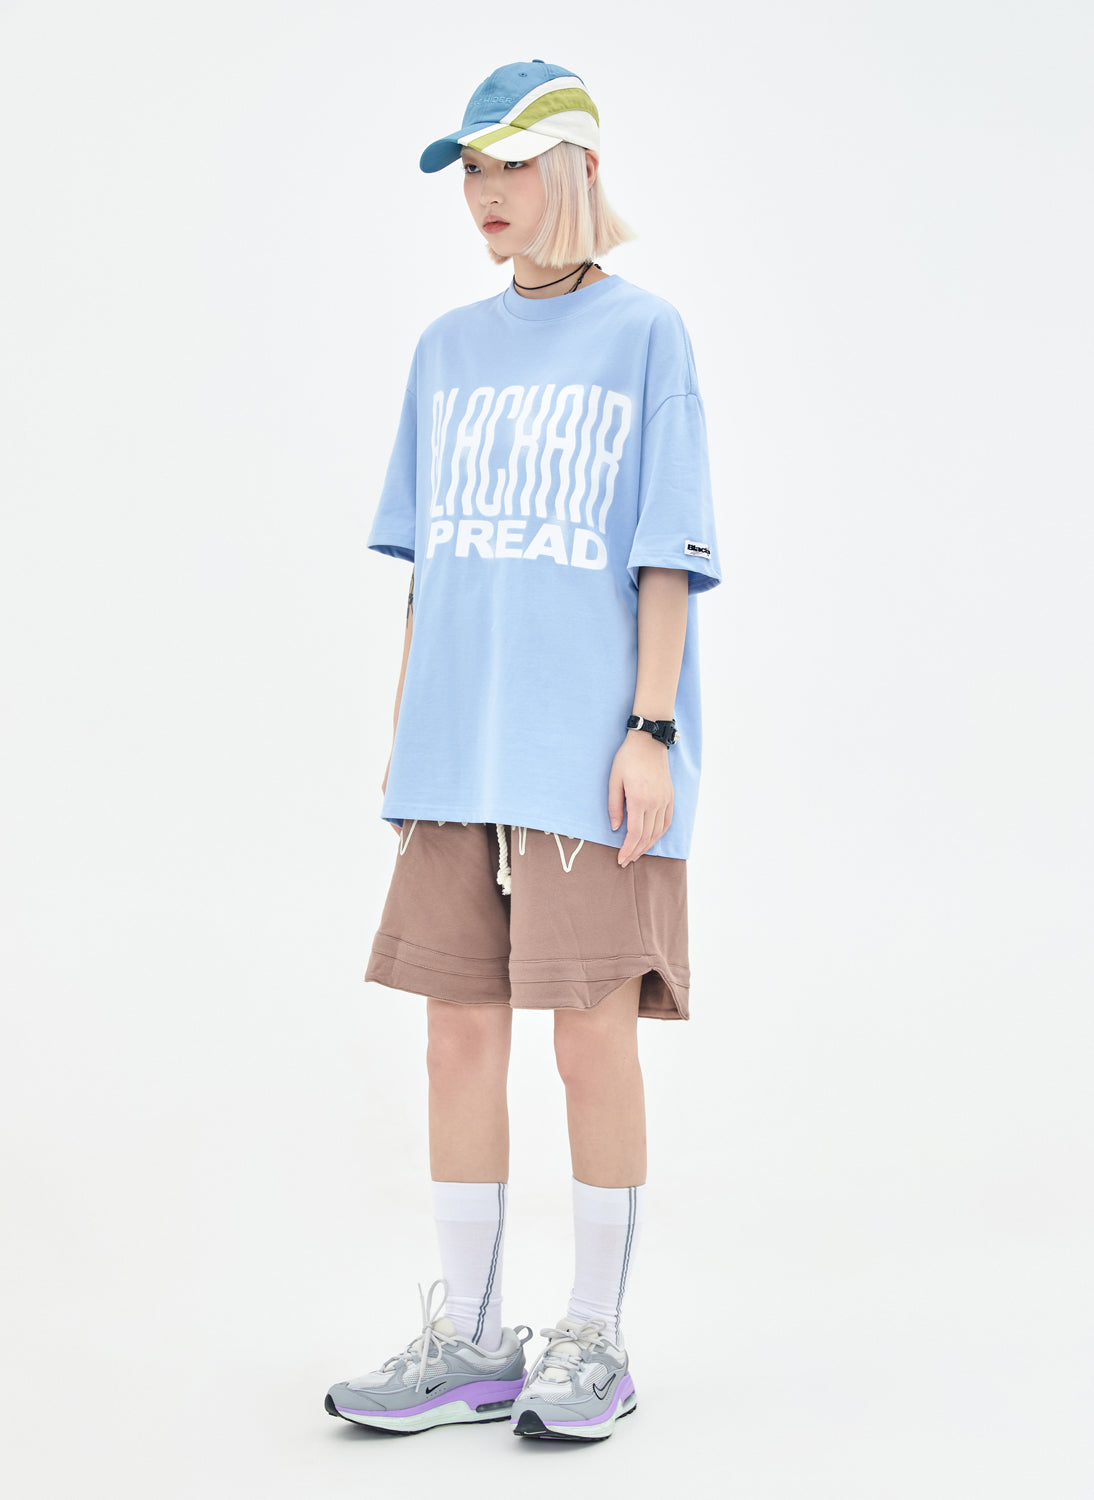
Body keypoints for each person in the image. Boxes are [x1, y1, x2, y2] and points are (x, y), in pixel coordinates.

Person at [324, 59, 721, 1442]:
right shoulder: (444, 350)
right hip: (456, 754)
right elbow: (428, 569)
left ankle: (593, 1339)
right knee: (454, 1038)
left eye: (507, 165)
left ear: (574, 168)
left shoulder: (646, 335)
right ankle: (474, 1342)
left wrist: (651, 730)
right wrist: (405, 736)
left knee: (590, 1038)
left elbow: (666, 552)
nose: (484, 195)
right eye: (471, 173)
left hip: (587, 756)